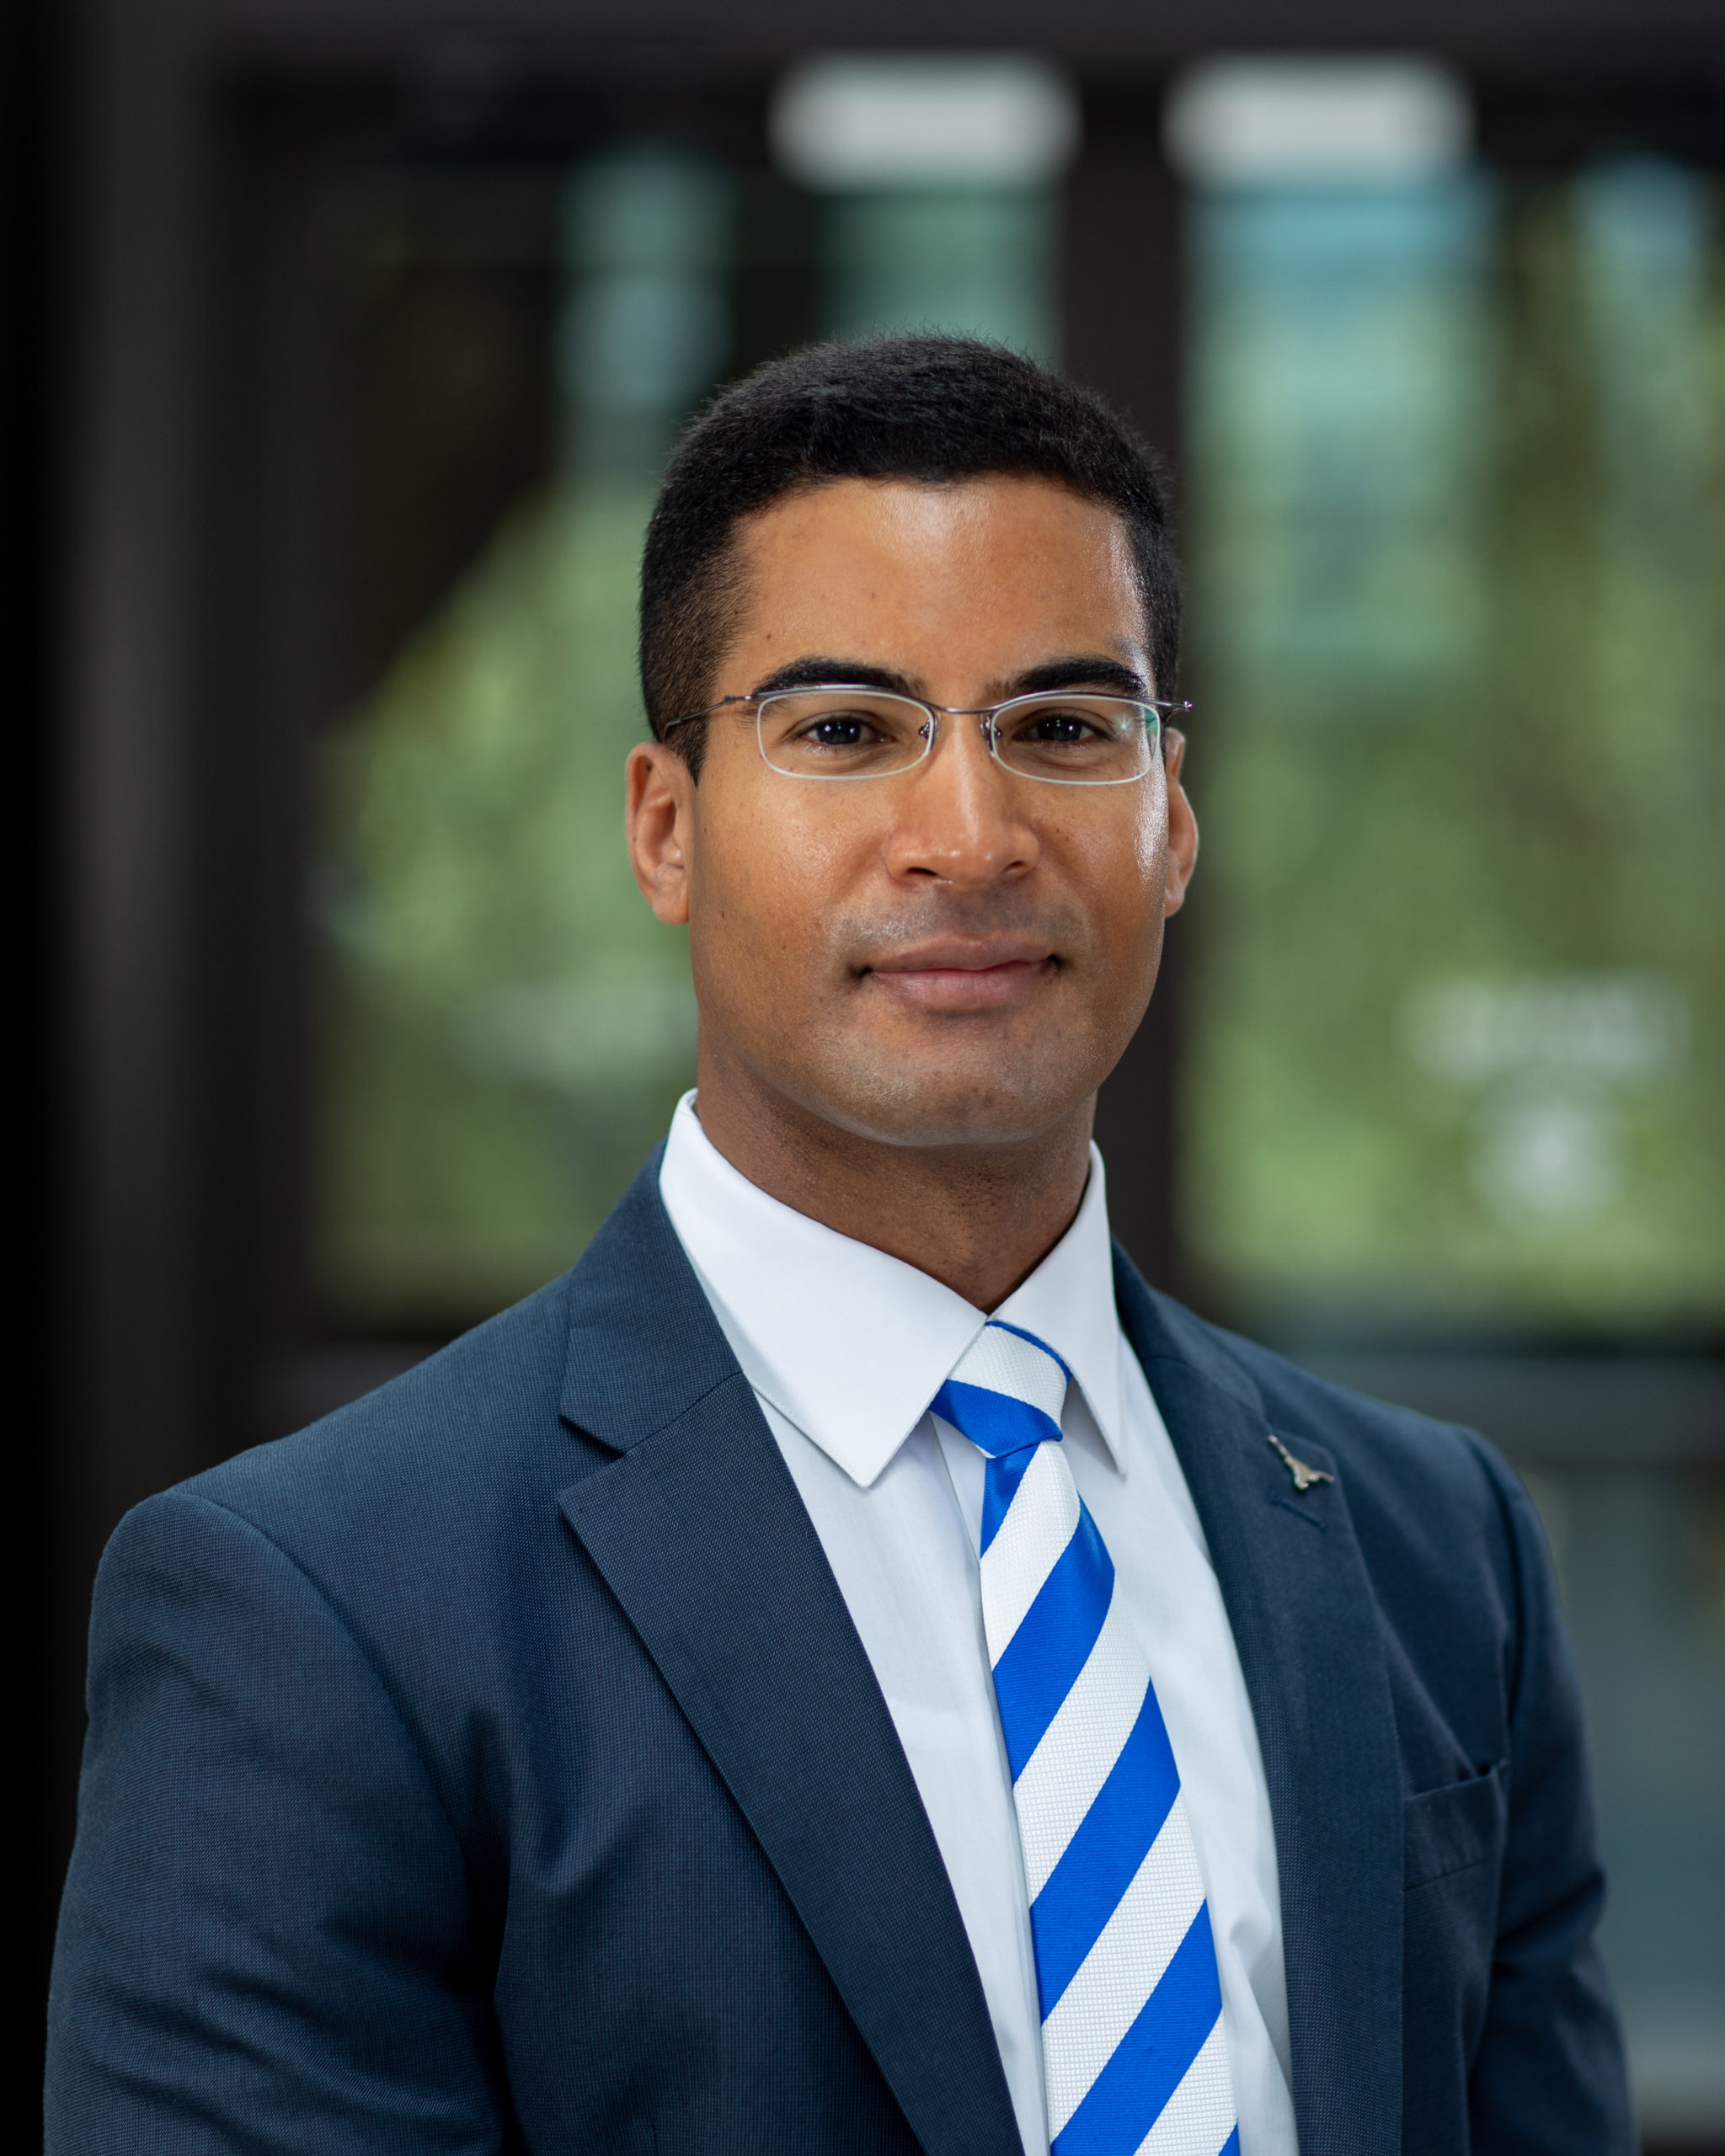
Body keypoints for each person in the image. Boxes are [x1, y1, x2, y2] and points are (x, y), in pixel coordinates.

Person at [47, 336, 1632, 2156]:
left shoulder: (1444, 1554)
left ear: (1171, 821)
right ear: (666, 826)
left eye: (1062, 727)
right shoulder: (316, 1612)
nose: (967, 834)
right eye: (843, 729)